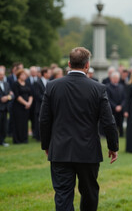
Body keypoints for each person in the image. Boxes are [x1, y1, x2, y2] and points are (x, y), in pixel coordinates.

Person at [39, 47, 119, 211]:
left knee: (63, 195)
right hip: (87, 150)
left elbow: (44, 120)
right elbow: (108, 122)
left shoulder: (52, 86)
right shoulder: (98, 88)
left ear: (69, 64)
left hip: (60, 148)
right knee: (89, 193)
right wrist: (113, 146)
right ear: (87, 65)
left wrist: (46, 144)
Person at [11, 69, 32, 144]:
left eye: (25, 75)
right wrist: (25, 103)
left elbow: (30, 94)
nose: (24, 76)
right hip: (18, 106)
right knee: (18, 123)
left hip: (26, 107)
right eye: (23, 75)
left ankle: (24, 139)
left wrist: (29, 103)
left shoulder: (27, 83)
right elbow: (17, 96)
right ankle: (18, 140)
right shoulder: (15, 84)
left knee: (24, 123)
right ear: (19, 75)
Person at [33, 67, 51, 142]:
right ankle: (38, 137)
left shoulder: (50, 82)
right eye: (49, 73)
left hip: (47, 106)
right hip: (40, 105)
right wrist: (47, 100)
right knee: (39, 121)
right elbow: (37, 95)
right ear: (45, 73)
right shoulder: (37, 82)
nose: (50, 74)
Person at [106, 71, 126, 137]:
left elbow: (124, 98)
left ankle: (121, 135)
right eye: (114, 78)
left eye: (117, 78)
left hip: (120, 108)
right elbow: (108, 99)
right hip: (112, 109)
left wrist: (121, 106)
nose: (116, 79)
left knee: (120, 122)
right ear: (111, 78)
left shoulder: (121, 86)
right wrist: (115, 106)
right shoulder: (108, 87)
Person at [0, 68, 13, 147]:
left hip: (5, 108)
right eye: (0, 75)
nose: (2, 76)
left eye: (2, 75)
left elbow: (12, 95)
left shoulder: (6, 84)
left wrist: (7, 98)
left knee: (4, 125)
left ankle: (2, 140)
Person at [27, 66, 39, 140]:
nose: (33, 73)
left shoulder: (39, 80)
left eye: (35, 72)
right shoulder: (27, 80)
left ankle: (35, 133)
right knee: (30, 117)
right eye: (32, 72)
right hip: (29, 102)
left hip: (37, 103)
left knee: (35, 118)